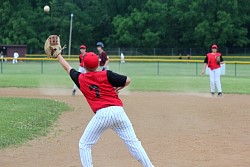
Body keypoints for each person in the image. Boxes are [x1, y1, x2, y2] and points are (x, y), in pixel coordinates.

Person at [56, 52, 154, 167]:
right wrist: (118, 88)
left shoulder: (80, 78)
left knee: (84, 144)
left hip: (102, 114)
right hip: (118, 111)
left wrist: (58, 55)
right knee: (134, 144)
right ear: (98, 65)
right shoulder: (107, 74)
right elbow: (127, 80)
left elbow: (68, 68)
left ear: (84, 66)